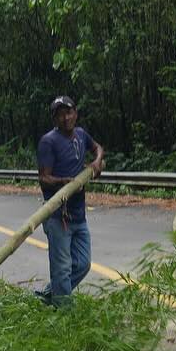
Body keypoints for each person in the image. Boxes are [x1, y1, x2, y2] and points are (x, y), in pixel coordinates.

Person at [35, 95, 104, 306]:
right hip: (57, 216)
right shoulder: (48, 141)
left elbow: (98, 148)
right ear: (54, 119)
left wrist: (97, 162)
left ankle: (50, 295)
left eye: (69, 112)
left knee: (83, 264)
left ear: (75, 113)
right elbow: (43, 178)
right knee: (62, 267)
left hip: (78, 214)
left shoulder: (81, 135)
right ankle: (64, 315)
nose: (66, 118)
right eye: (60, 114)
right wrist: (63, 182)